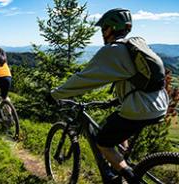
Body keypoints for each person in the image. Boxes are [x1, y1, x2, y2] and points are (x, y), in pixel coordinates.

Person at [51, 8, 169, 183]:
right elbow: (135, 78)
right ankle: (121, 165)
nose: (102, 33)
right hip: (158, 103)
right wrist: (115, 100)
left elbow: (83, 79)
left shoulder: (113, 50)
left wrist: (55, 94)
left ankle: (129, 178)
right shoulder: (135, 45)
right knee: (120, 129)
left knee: (103, 142)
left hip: (140, 108)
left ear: (110, 28)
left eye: (103, 28)